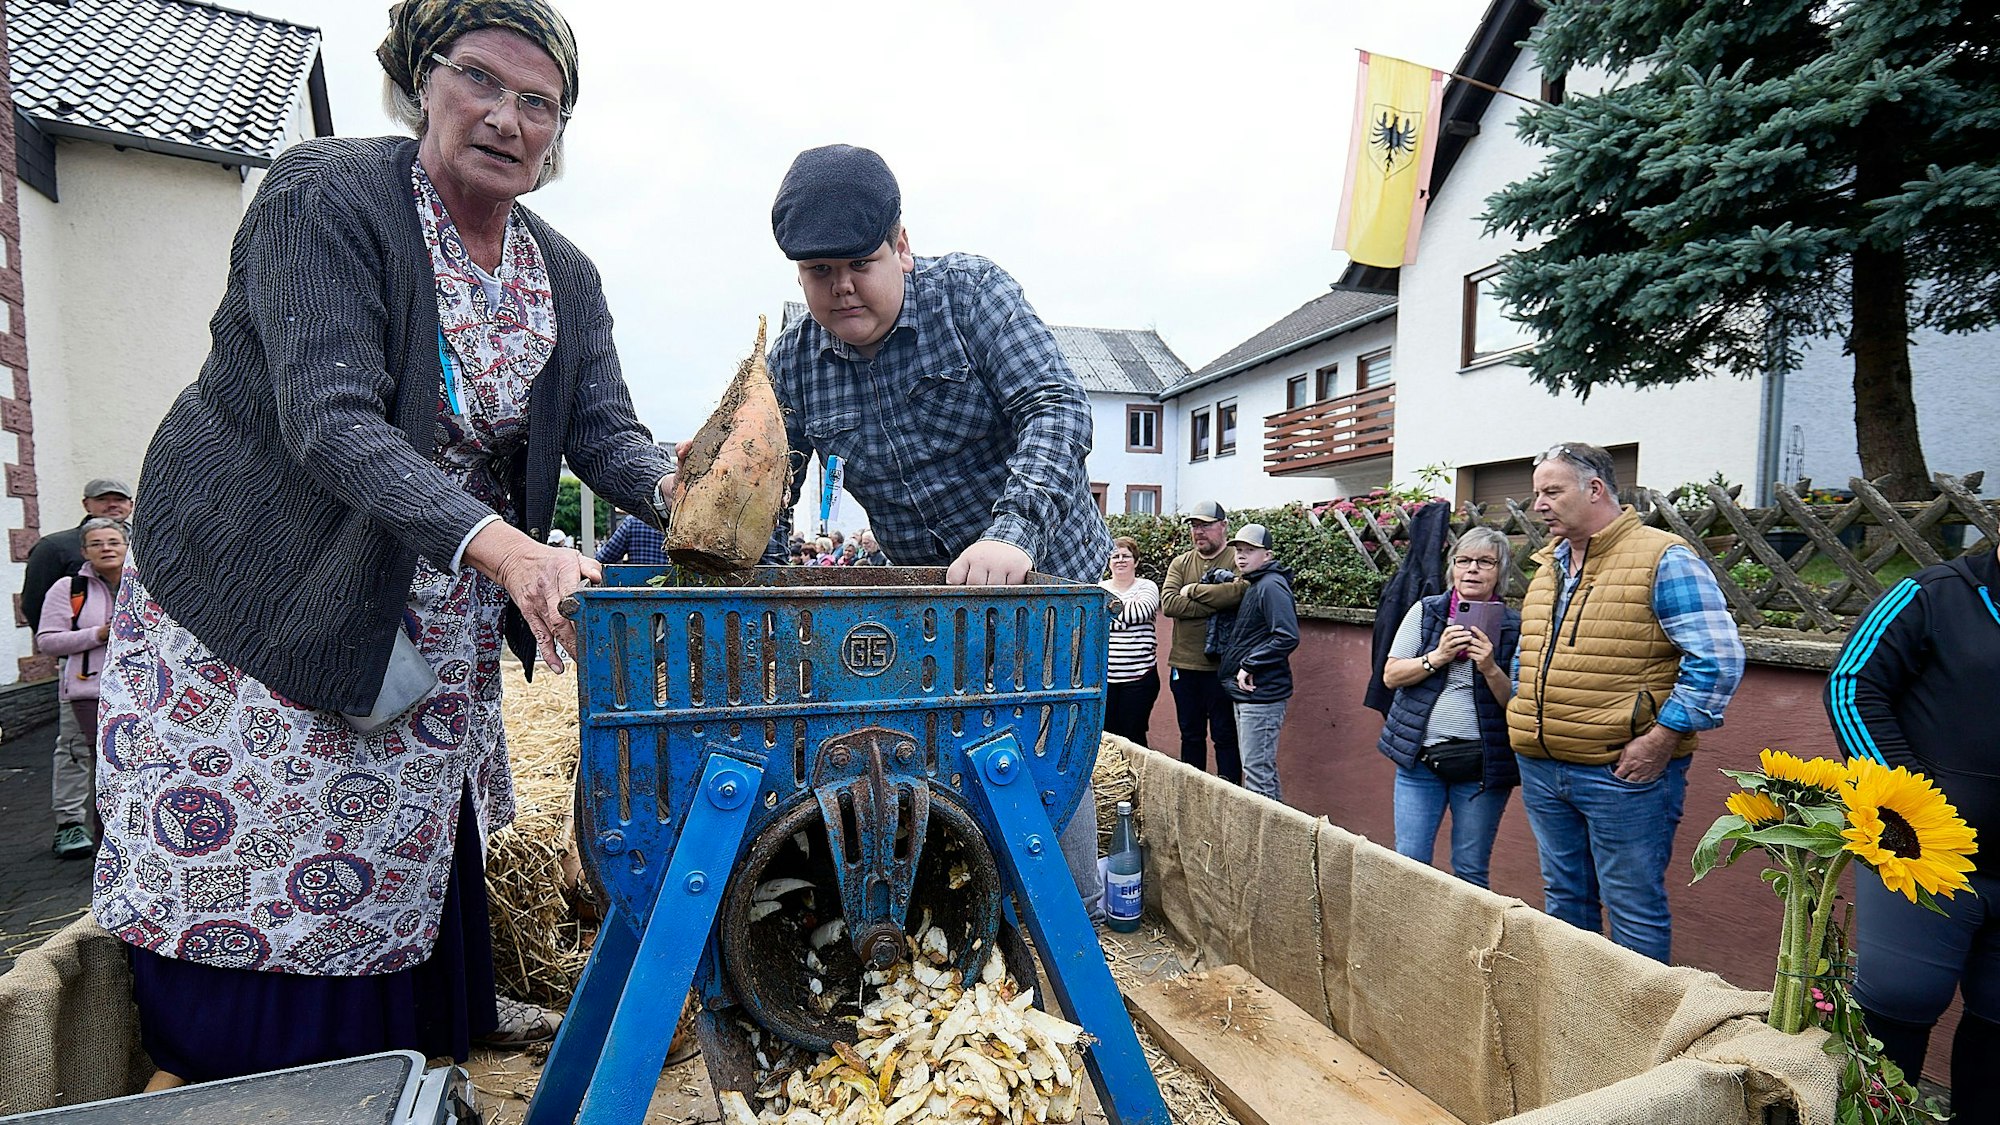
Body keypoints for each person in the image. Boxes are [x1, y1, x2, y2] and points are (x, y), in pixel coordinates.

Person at [91, 0, 675, 1089]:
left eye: (538, 100)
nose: (505, 116)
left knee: (400, 830)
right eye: (478, 78)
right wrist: (511, 552)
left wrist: (684, 492)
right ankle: (262, 1076)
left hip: (432, 592)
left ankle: (420, 1045)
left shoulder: (564, 272)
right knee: (274, 829)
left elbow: (604, 431)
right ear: (420, 80)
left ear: (560, 128)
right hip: (268, 573)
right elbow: (330, 420)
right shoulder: (326, 196)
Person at [763, 143, 1107, 916]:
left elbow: (1056, 407)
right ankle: (964, 917)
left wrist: (1013, 533)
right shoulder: (795, 363)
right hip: (935, 604)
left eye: (861, 262)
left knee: (1038, 751)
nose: (842, 286)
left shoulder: (971, 296)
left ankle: (1073, 922)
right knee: (936, 752)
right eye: (819, 271)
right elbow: (771, 497)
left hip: (1041, 582)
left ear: (903, 245)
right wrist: (767, 599)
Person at [1506, 442, 1744, 962]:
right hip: (1543, 767)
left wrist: (1662, 739)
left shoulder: (1663, 557)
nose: (1538, 505)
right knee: (1564, 900)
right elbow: (1530, 654)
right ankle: (1575, 1004)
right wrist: (1521, 715)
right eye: (1537, 494)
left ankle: (1638, 1014)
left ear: (1594, 489)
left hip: (1622, 774)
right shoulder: (1548, 566)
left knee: (1633, 907)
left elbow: (1718, 659)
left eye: (1551, 492)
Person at [1823, 540, 1999, 1117]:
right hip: (1924, 856)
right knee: (1900, 999)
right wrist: (1912, 805)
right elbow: (1851, 687)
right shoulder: (1931, 595)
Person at [1376, 526, 1520, 888]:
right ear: (1452, 567)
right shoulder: (1427, 612)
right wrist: (1437, 657)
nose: (1472, 569)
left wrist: (1490, 667)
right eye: (1464, 560)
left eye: (1485, 562)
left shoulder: (1515, 627)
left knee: (1470, 870)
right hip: (1420, 760)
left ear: (1500, 571)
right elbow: (1391, 676)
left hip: (1482, 765)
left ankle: (1465, 929)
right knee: (1410, 862)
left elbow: (1516, 704)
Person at [21, 478, 133, 855]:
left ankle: (129, 834)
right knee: (78, 752)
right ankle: (70, 825)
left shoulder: (145, 568)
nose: (106, 547)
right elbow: (41, 621)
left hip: (139, 686)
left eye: (119, 499)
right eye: (104, 500)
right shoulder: (57, 552)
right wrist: (92, 638)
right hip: (85, 682)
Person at [1161, 501, 1246, 784]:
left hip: (1223, 667)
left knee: (1226, 737)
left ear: (1223, 526)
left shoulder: (1236, 558)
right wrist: (1216, 603)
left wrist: (1193, 591)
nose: (1199, 531)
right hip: (1184, 665)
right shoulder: (1181, 563)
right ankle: (1192, 794)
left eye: (1206, 525)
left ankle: (1231, 795)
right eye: (1195, 526)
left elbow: (1240, 593)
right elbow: (1169, 604)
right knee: (1191, 736)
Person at [1216, 525, 1297, 801]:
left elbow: (1287, 636)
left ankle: (1264, 829)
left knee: (1256, 774)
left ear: (1268, 555)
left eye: (1250, 550)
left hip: (1262, 693)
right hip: (1251, 693)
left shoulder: (1271, 585)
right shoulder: (1258, 583)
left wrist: (1250, 664)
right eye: (1239, 550)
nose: (1241, 556)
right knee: (1260, 770)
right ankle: (1278, 826)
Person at [1100, 537, 1160, 746]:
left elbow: (1141, 612)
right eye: (1115, 556)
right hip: (1105, 680)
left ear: (1136, 561)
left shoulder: (1147, 586)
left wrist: (1109, 617)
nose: (1120, 560)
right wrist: (1126, 615)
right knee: (1107, 738)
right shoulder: (1100, 587)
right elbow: (1092, 620)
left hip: (1139, 678)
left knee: (1134, 736)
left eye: (1126, 556)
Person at [596, 510, 668, 566]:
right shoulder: (672, 525)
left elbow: (603, 558)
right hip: (670, 580)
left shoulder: (632, 522)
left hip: (636, 579)